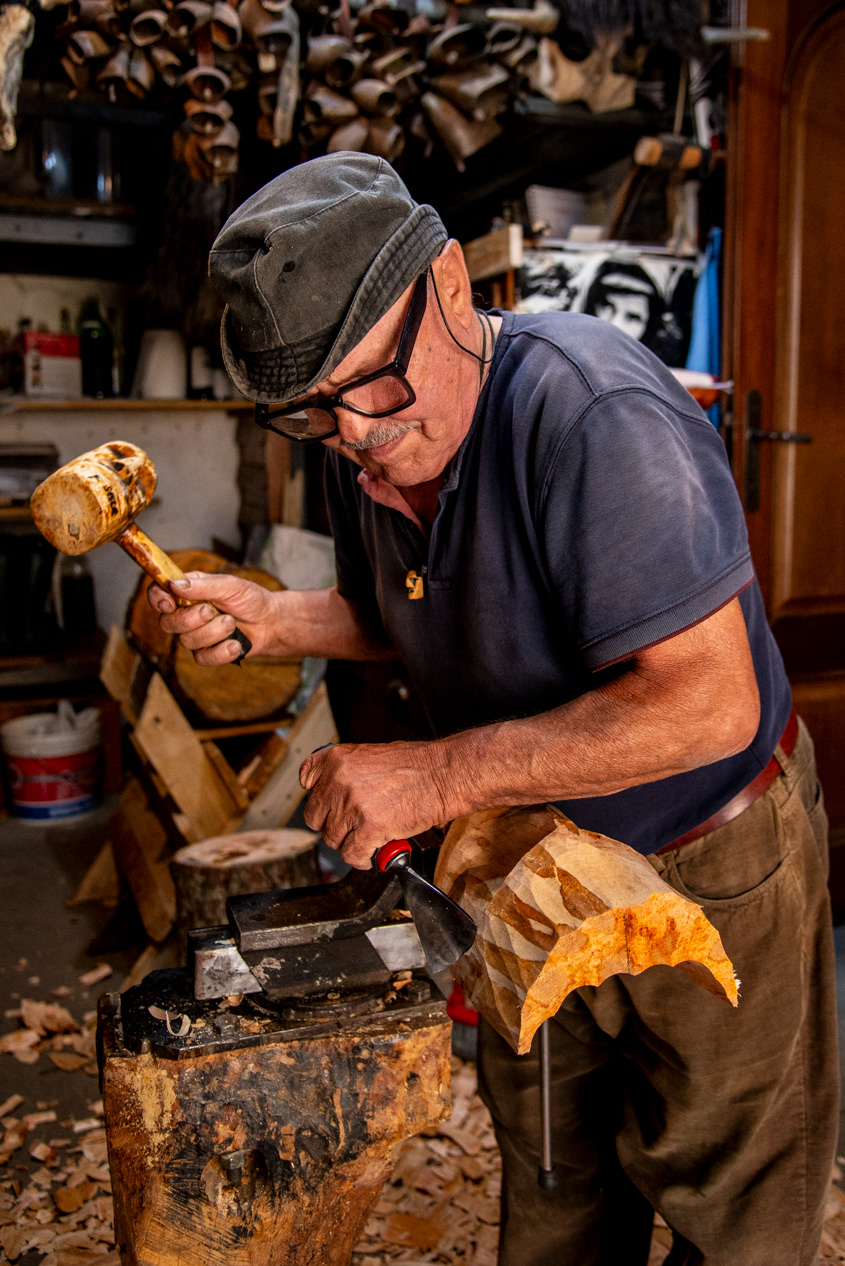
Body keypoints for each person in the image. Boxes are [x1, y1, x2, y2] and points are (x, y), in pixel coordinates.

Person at [148, 155, 837, 1266]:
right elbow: (411, 608)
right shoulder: (358, 441)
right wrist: (279, 619)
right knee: (556, 1172)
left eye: (369, 384)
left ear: (449, 284)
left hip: (697, 852)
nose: (355, 434)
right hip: (521, 853)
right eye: (310, 409)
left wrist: (431, 777)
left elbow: (708, 706)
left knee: (731, 1202)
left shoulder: (593, 414)